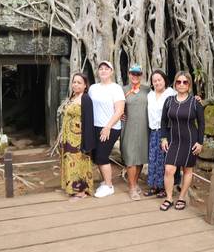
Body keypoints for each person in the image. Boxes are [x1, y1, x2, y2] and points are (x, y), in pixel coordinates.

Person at [160, 71, 204, 211]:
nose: (181, 84)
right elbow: (164, 121)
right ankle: (169, 198)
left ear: (189, 85)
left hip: (190, 140)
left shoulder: (195, 102)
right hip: (173, 140)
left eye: (185, 82)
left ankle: (182, 197)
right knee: (169, 169)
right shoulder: (169, 101)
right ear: (175, 84)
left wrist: (200, 142)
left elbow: (201, 124)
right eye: (179, 82)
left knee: (187, 169)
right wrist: (163, 137)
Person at [88, 60, 125, 198]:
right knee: (96, 156)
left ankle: (109, 186)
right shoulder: (93, 88)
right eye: (101, 68)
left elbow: (120, 110)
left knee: (102, 156)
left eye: (106, 68)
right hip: (95, 127)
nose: (103, 71)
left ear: (111, 72)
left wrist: (108, 127)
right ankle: (105, 181)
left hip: (111, 127)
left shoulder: (116, 88)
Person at [60, 72, 94, 198]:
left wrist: (88, 141)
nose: (75, 85)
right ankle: (71, 187)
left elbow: (89, 120)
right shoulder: (72, 97)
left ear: (85, 85)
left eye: (79, 82)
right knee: (69, 162)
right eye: (74, 82)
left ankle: (81, 190)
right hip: (68, 137)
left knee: (79, 162)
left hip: (79, 138)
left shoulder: (85, 98)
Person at [121, 64, 150, 200]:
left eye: (137, 74)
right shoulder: (123, 90)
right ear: (129, 74)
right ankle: (132, 188)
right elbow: (116, 106)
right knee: (131, 157)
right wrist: (120, 114)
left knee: (140, 157)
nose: (135, 76)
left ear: (141, 75)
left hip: (144, 128)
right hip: (129, 128)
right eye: (132, 73)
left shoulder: (148, 90)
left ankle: (135, 182)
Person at [145, 69, 174, 197]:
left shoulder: (171, 94)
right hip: (153, 131)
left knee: (163, 160)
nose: (157, 82)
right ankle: (154, 185)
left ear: (164, 80)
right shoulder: (150, 95)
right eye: (154, 80)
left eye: (159, 80)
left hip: (167, 132)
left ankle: (164, 187)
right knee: (153, 158)